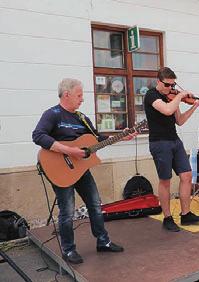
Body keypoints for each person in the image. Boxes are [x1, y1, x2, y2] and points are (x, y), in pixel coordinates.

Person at [32, 78, 136, 264]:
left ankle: (103, 241)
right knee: (67, 211)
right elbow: (38, 135)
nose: (82, 99)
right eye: (79, 95)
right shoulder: (52, 114)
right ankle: (68, 249)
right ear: (66, 94)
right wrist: (70, 151)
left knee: (95, 204)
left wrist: (122, 137)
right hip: (60, 169)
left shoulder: (81, 118)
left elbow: (96, 138)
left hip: (81, 169)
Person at [144, 67, 199, 232]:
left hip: (174, 140)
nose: (170, 88)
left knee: (186, 175)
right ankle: (167, 218)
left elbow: (179, 120)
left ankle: (186, 215)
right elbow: (167, 110)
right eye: (167, 85)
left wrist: (196, 106)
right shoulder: (152, 95)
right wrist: (179, 95)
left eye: (172, 85)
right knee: (165, 180)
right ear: (159, 81)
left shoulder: (171, 97)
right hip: (159, 143)